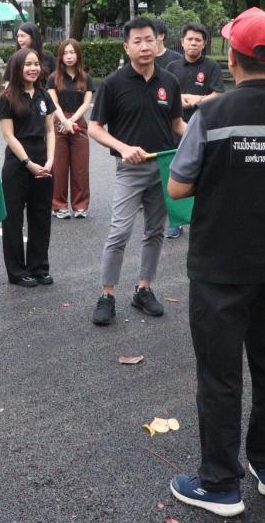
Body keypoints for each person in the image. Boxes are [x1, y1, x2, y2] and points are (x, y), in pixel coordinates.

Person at [164, 8, 265, 518]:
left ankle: (220, 484)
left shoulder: (212, 115)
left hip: (220, 265)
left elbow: (177, 186)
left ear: (231, 58)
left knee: (220, 373)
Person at [88, 17, 186, 326]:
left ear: (159, 42)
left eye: (149, 40)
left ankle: (144, 289)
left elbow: (177, 125)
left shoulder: (169, 81)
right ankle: (106, 295)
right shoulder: (113, 84)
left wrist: (202, 138)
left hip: (164, 166)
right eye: (137, 41)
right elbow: (94, 127)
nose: (144, 46)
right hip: (130, 170)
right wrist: (123, 147)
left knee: (155, 231)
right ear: (127, 47)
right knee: (119, 231)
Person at [0, 48, 56, 287]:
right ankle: (17, 272)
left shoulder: (44, 95)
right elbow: (8, 136)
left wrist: (50, 160)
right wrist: (28, 163)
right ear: (17, 68)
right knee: (12, 220)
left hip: (44, 163)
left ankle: (39, 267)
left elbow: (50, 130)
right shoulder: (6, 97)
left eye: (36, 64)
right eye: (27, 64)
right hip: (17, 165)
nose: (33, 68)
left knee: (41, 217)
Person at [165, 23, 225, 239]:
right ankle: (176, 221)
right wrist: (181, 99)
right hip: (175, 128)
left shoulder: (212, 67)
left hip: (203, 129)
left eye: (198, 40)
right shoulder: (172, 67)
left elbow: (217, 94)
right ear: (182, 42)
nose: (193, 43)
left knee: (203, 175)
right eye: (189, 39)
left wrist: (196, 100)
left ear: (204, 43)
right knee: (175, 175)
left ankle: (203, 220)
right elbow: (165, 93)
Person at [46, 39, 93, 219]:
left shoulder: (86, 78)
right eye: (65, 53)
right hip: (58, 122)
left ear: (78, 55)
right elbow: (53, 103)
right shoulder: (53, 78)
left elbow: (86, 103)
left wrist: (71, 120)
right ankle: (59, 206)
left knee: (81, 167)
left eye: (72, 52)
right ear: (60, 56)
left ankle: (81, 206)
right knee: (58, 167)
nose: (69, 56)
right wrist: (64, 121)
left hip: (78, 122)